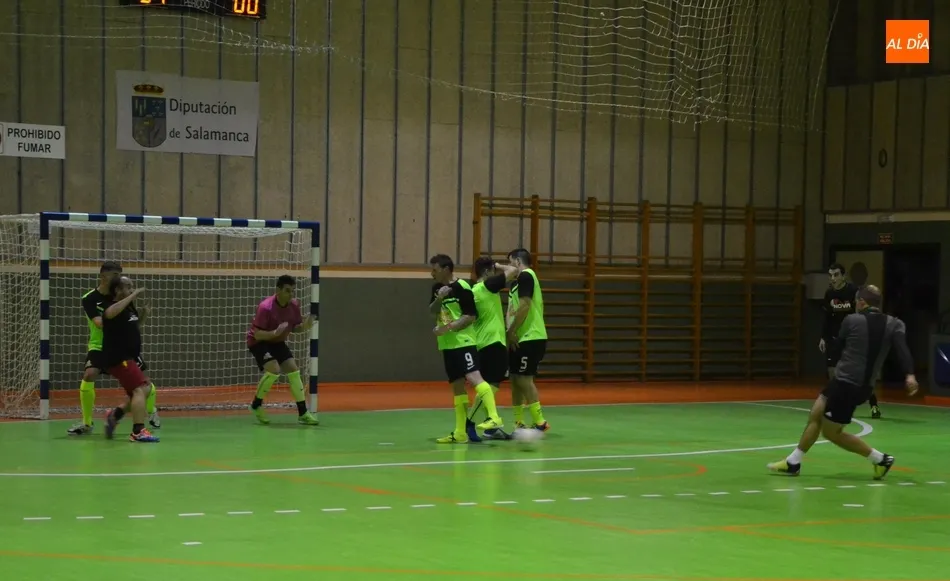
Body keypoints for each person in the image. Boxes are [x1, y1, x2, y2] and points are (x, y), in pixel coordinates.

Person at [767, 285, 917, 479]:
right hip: (857, 385)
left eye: (856, 301)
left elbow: (838, 347)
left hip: (847, 384)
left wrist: (833, 356)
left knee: (832, 433)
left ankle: (880, 459)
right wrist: (910, 374)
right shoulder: (895, 324)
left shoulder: (852, 320)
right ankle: (793, 462)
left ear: (861, 302)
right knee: (816, 413)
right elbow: (902, 350)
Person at [68, 262, 159, 435]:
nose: (118, 278)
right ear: (103, 277)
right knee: (90, 374)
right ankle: (87, 422)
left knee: (146, 386)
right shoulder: (92, 298)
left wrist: (142, 314)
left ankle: (138, 412)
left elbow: (132, 323)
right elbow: (101, 322)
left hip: (124, 347)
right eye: (115, 275)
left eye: (120, 275)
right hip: (102, 345)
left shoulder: (121, 296)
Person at [429, 254, 503, 444]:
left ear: (446, 269)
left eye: (435, 270)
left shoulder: (462, 287)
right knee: (457, 386)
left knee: (474, 377)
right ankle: (460, 432)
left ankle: (494, 417)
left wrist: (448, 328)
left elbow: (470, 316)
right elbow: (432, 311)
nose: (432, 273)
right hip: (447, 345)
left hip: (464, 342)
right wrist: (440, 298)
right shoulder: (437, 288)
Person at [246, 275, 319, 426]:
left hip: (277, 342)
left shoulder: (294, 306)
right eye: (287, 290)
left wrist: (305, 326)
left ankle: (303, 413)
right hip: (259, 342)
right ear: (278, 290)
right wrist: (274, 333)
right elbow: (257, 334)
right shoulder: (266, 307)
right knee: (274, 369)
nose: (291, 294)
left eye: (293, 291)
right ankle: (256, 405)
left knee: (293, 370)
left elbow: (295, 328)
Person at [465, 257, 519, 441]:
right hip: (492, 343)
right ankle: (470, 422)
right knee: (492, 385)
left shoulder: (475, 290)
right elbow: (513, 271)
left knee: (489, 386)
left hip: (484, 343)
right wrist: (498, 266)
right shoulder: (486, 286)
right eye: (493, 271)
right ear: (487, 272)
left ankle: (491, 429)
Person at [101, 277, 159, 443]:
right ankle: (138, 431)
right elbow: (109, 314)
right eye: (128, 287)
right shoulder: (110, 306)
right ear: (117, 290)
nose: (132, 290)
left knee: (144, 389)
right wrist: (133, 296)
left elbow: (135, 326)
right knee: (140, 389)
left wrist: (144, 314)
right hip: (118, 357)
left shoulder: (129, 308)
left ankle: (115, 415)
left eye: (132, 287)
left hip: (130, 357)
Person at [821, 263, 881, 418]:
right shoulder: (829, 294)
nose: (833, 278)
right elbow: (827, 317)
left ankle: (873, 405)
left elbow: (862, 312)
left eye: (836, 275)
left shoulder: (853, 291)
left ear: (843, 276)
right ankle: (835, 404)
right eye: (830, 275)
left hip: (852, 338)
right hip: (835, 337)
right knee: (832, 371)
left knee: (860, 374)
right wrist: (823, 337)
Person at [505, 248, 549, 432]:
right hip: (518, 338)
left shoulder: (527, 275)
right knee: (515, 379)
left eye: (510, 262)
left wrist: (511, 331)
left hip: (531, 336)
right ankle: (518, 421)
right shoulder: (515, 283)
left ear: (517, 261)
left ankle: (540, 422)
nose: (509, 267)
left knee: (524, 379)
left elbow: (525, 305)